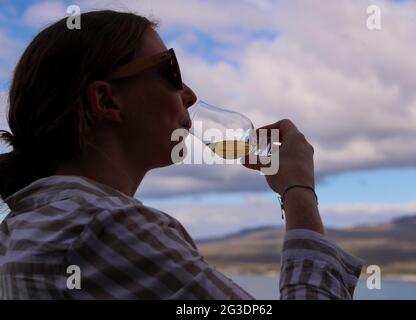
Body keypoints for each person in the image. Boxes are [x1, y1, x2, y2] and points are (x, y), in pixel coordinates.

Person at [0, 10, 362, 299]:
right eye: (170, 71)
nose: (188, 94)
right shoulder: (104, 228)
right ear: (106, 101)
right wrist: (298, 189)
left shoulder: (19, 230)